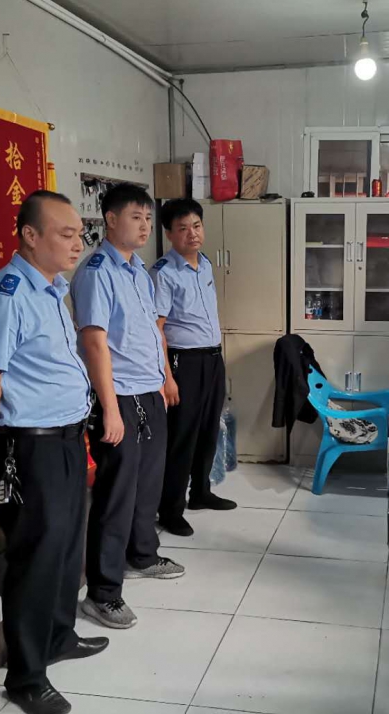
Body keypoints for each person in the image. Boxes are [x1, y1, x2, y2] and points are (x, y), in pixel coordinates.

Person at [0, 191, 107, 714]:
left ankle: (58, 636)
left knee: (67, 546)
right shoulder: (6, 296)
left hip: (66, 439)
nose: (77, 244)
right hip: (29, 446)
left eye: (79, 234)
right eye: (66, 234)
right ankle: (26, 676)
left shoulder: (51, 290)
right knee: (36, 556)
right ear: (29, 236)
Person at [70, 184, 185, 631]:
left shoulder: (138, 270)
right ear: (111, 220)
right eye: (136, 217)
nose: (144, 226)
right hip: (118, 396)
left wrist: (164, 378)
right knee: (116, 495)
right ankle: (102, 593)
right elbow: (94, 343)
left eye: (148, 218)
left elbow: (152, 331)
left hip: (148, 391)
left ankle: (142, 555)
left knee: (147, 485)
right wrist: (110, 408)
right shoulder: (97, 272)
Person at [150, 198, 236, 537]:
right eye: (183, 228)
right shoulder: (163, 273)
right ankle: (170, 510)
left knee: (209, 430)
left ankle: (200, 492)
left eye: (197, 226)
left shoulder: (206, 264)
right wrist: (167, 377)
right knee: (182, 438)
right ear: (169, 233)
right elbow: (157, 328)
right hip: (183, 362)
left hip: (212, 359)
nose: (192, 234)